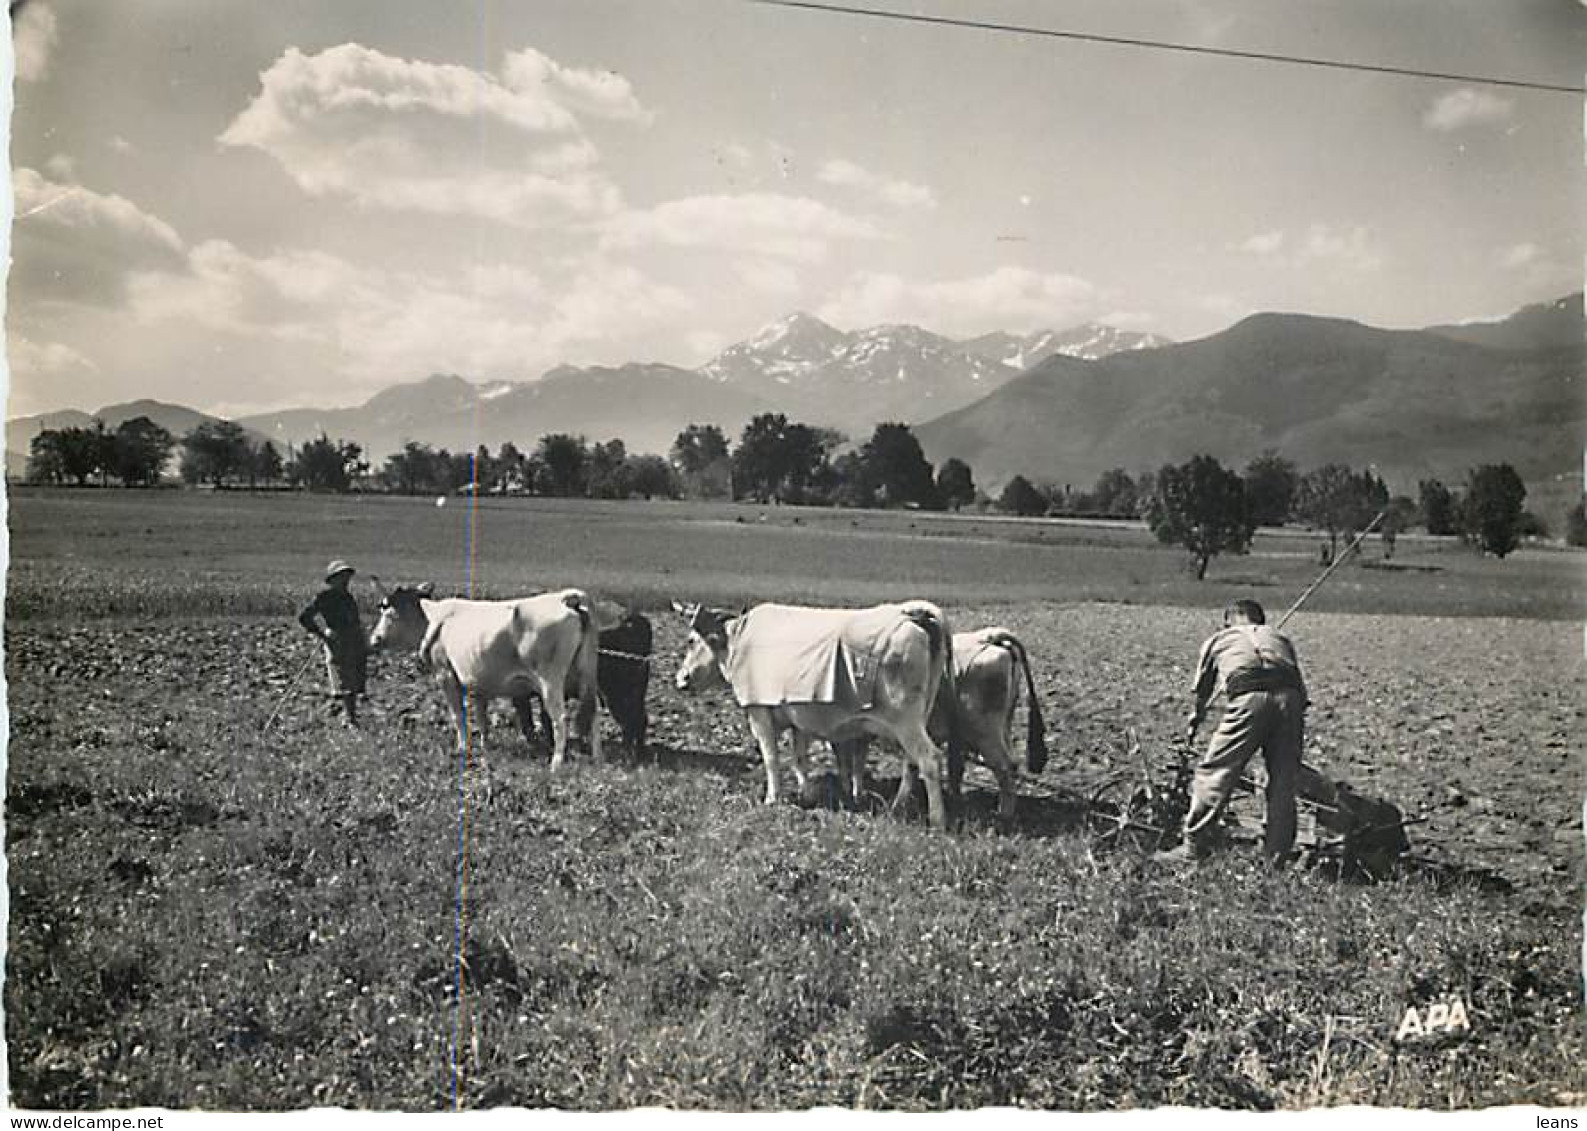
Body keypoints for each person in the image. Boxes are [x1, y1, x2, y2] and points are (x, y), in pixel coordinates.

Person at [1160, 599, 1307, 865]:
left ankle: (1193, 846)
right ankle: (1276, 855)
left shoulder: (1219, 639)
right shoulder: (1279, 637)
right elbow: (1298, 683)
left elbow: (1202, 691)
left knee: (1216, 771)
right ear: (1260, 620)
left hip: (1248, 696)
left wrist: (1195, 720)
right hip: (1290, 698)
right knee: (1284, 779)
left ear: (1228, 620)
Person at [298, 560, 369, 727]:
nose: (346, 580)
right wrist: (322, 634)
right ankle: (350, 719)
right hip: (337, 640)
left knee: (356, 679)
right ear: (333, 579)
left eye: (347, 576)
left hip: (354, 639)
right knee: (344, 679)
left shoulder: (348, 597)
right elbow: (304, 617)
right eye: (341, 576)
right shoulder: (324, 597)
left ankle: (349, 717)